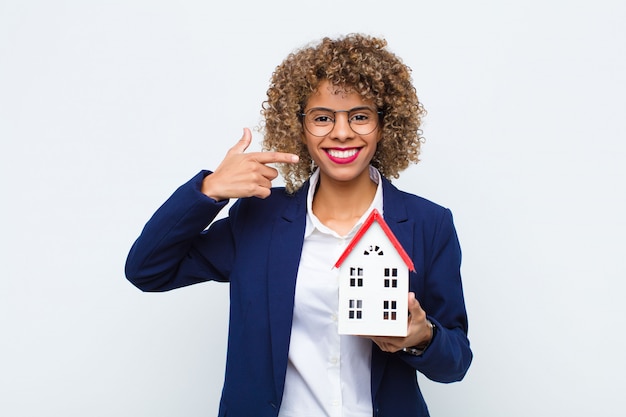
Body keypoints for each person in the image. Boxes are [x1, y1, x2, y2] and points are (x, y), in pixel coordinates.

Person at [125, 33, 472, 417]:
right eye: (323, 118)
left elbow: (456, 363)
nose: (341, 132)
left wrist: (423, 338)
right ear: (300, 126)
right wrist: (209, 191)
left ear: (384, 125)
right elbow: (147, 270)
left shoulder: (429, 223)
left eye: (360, 116)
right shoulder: (259, 217)